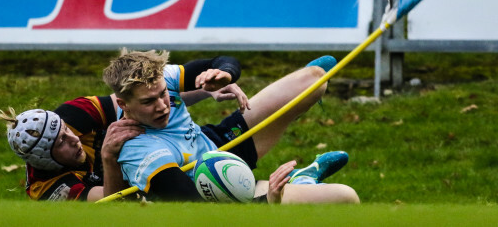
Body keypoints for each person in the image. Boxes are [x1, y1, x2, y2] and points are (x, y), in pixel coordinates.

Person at [103, 49, 359, 204]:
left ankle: (299, 183)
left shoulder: (161, 78)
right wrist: (268, 201)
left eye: (163, 94)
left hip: (220, 143)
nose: (162, 105)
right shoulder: (138, 149)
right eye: (149, 102)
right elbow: (195, 206)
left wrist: (222, 74)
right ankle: (301, 182)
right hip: (222, 188)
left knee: (315, 80)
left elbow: (222, 60)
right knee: (345, 197)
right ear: (123, 104)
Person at [0, 79, 249, 201]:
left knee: (282, 94)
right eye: (60, 142)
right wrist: (108, 157)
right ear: (43, 160)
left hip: (188, 148)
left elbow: (140, 99)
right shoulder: (47, 188)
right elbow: (113, 203)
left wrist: (208, 89)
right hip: (152, 190)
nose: (73, 139)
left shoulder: (74, 114)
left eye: (66, 131)